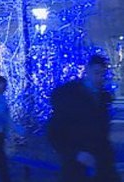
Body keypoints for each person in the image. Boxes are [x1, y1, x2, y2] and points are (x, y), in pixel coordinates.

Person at [48, 54, 120, 182]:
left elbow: (102, 131)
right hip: (76, 165)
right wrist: (76, 153)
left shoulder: (103, 96)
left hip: (101, 161)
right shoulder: (69, 96)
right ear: (87, 70)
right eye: (96, 73)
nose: (100, 78)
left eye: (103, 74)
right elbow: (54, 133)